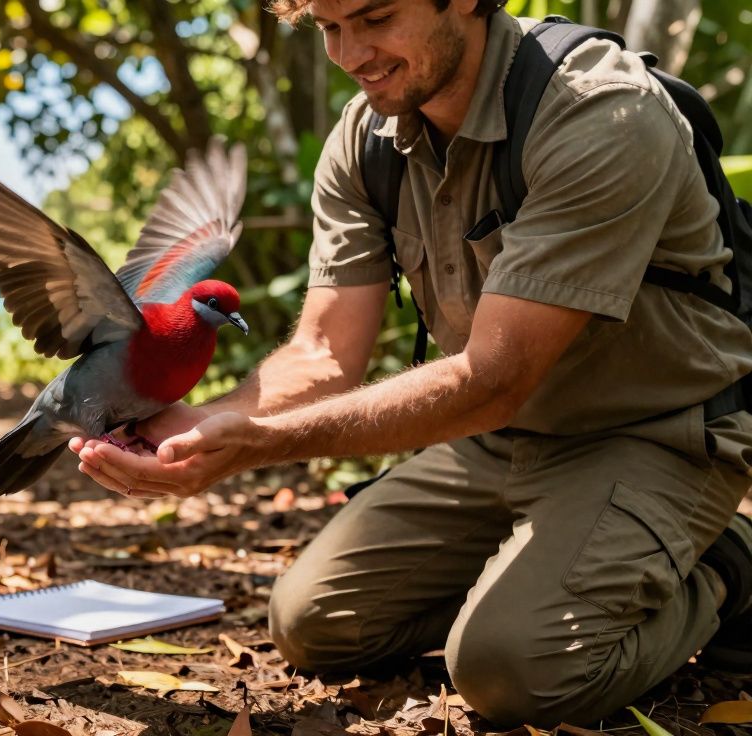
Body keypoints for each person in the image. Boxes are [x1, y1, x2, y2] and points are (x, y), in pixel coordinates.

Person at [65, 0, 752, 727]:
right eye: (328, 28)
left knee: (513, 675)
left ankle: (727, 568)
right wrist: (203, 424)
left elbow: (492, 377)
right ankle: (554, 578)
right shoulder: (367, 140)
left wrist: (260, 445)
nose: (350, 54)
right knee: (315, 623)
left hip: (651, 432)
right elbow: (325, 351)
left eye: (375, 17)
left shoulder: (598, 112)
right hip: (498, 439)